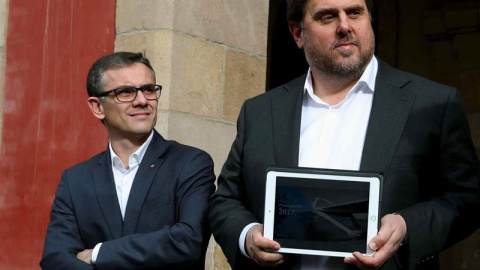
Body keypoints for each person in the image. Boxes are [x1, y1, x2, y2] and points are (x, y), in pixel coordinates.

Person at [208, 0, 480, 269]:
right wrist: (248, 236)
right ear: (297, 33)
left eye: (355, 13)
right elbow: (226, 200)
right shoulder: (260, 111)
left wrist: (406, 225)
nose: (345, 26)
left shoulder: (432, 103)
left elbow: (468, 199)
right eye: (327, 16)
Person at [41, 52, 215, 270]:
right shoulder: (75, 180)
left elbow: (188, 240)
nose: (142, 100)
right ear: (97, 107)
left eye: (148, 90)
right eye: (126, 92)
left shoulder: (190, 163)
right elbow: (55, 258)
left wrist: (98, 253)